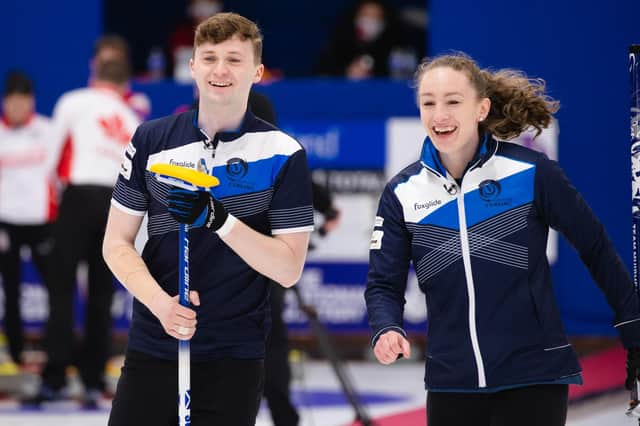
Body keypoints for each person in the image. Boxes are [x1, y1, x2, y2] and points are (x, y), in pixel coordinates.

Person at [364, 52, 640, 426]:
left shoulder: (531, 173)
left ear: (481, 108)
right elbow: (383, 282)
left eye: (453, 102)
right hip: (451, 384)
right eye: (428, 103)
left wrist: (632, 326)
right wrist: (386, 326)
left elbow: (596, 247)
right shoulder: (402, 193)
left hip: (534, 377)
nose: (439, 114)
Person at [102, 12, 314, 425]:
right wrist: (162, 306)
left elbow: (288, 269)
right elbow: (116, 243)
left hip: (234, 355)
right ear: (192, 66)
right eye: (210, 57)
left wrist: (220, 220)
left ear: (257, 71)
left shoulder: (284, 153)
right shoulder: (151, 139)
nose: (221, 70)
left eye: (234, 60)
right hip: (154, 346)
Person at [25, 46, 141, 407]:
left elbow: (50, 153)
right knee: (102, 294)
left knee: (61, 289)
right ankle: (93, 379)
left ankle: (56, 377)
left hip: (77, 197)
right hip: (116, 203)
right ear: (124, 84)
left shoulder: (73, 101)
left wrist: (55, 202)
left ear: (95, 75)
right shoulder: (131, 117)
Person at [0, 71, 57, 367]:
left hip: (42, 221)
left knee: (56, 287)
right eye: (12, 101)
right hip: (6, 223)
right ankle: (16, 352)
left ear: (31, 102)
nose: (18, 107)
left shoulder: (49, 131)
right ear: (4, 102)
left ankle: (53, 348)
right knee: (9, 291)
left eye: (24, 101)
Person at [315, 0, 421, 79]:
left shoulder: (399, 47)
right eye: (366, 15)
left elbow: (405, 79)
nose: (370, 22)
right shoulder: (338, 46)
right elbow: (322, 76)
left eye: (377, 17)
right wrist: (346, 74)